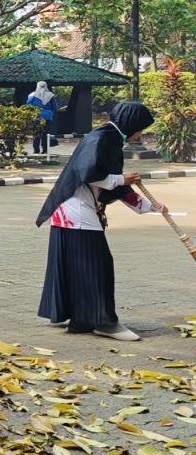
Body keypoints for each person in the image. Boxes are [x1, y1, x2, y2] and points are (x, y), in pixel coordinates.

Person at [36, 101, 163, 341]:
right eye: (141, 128)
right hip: (75, 210)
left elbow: (113, 184)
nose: (140, 134)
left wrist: (150, 207)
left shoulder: (110, 138)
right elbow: (90, 174)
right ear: (132, 124)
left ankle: (81, 319)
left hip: (71, 211)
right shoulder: (103, 138)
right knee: (98, 264)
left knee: (79, 266)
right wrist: (121, 179)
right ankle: (104, 322)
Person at [27, 81, 57, 154]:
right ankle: (45, 150)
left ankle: (36, 150)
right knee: (45, 133)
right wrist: (51, 114)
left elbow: (27, 105)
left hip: (36, 116)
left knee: (36, 133)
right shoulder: (51, 95)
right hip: (47, 117)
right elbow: (54, 107)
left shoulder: (33, 95)